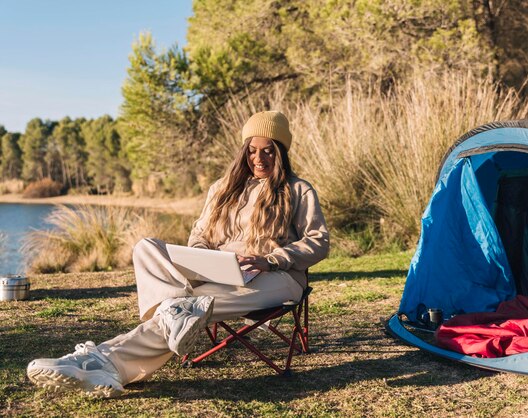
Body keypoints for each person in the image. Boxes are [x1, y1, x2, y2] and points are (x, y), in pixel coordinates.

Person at [26, 111, 330, 397]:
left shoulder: (297, 189)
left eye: (268, 150)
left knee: (186, 310)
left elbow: (318, 241)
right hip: (219, 271)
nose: (259, 158)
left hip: (275, 277)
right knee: (147, 248)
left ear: (281, 152)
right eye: (252, 150)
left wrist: (271, 259)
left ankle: (97, 361)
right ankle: (162, 321)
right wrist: (202, 259)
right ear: (243, 151)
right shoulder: (223, 189)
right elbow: (199, 235)